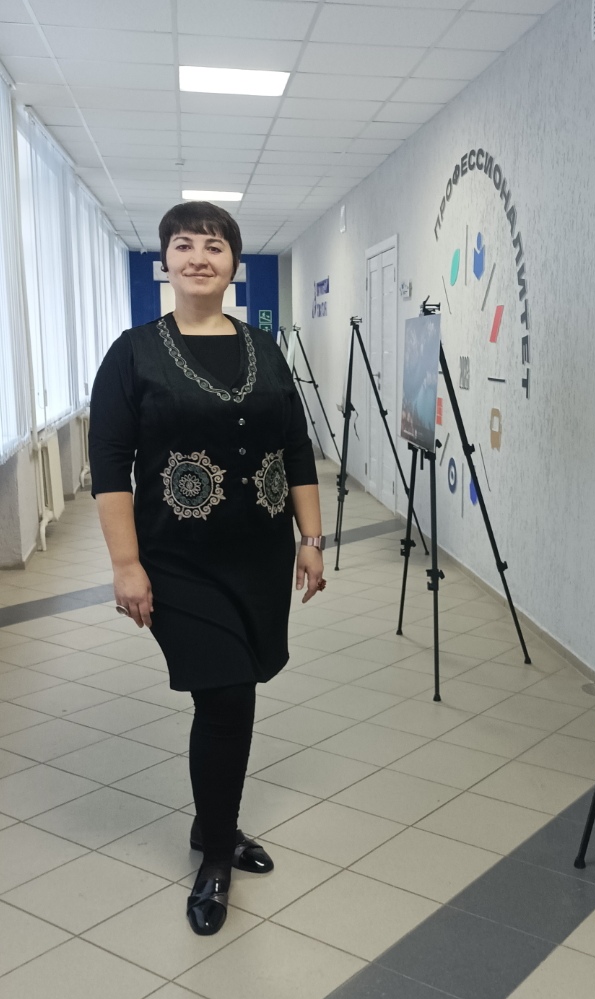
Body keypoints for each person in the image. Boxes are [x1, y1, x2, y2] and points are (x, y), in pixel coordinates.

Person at [89, 202, 325, 936]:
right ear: (164, 261)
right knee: (225, 697)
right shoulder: (132, 354)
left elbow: (295, 448)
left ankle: (209, 822)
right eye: (184, 244)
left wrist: (312, 539)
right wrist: (126, 565)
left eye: (214, 246)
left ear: (234, 265)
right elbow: (109, 467)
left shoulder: (265, 348)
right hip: (177, 560)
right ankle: (216, 853)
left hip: (259, 555)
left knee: (233, 693)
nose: (198, 256)